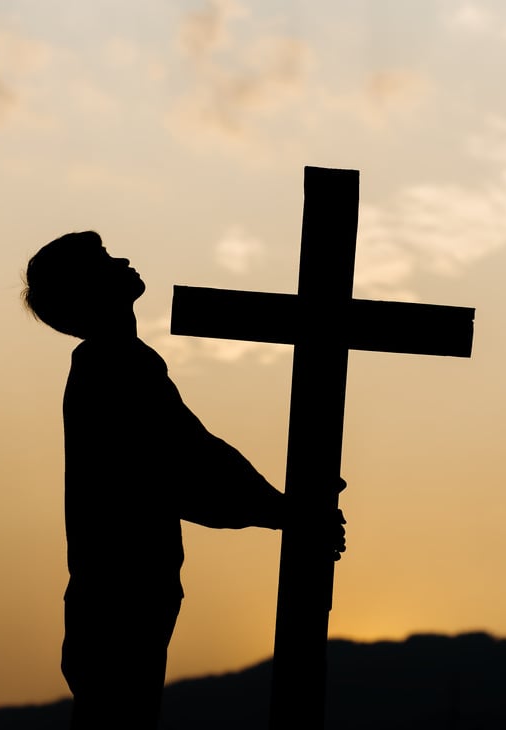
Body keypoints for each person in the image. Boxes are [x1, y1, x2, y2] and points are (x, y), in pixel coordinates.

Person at [22, 230, 345, 729]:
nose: (123, 259)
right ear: (87, 289)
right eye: (105, 259)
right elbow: (187, 463)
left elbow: (190, 461)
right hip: (120, 601)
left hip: (120, 597)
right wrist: (285, 512)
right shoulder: (113, 365)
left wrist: (282, 509)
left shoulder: (116, 362)